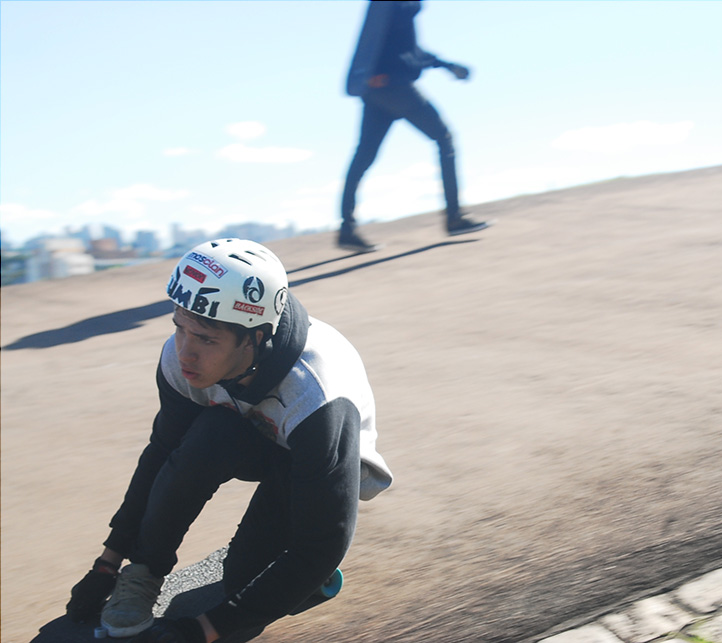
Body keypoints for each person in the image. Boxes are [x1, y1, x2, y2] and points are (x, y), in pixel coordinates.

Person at [64, 238, 393, 642]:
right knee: (209, 435)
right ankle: (145, 572)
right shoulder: (180, 359)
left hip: (313, 464)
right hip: (251, 433)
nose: (185, 353)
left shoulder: (317, 397)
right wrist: (108, 563)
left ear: (255, 338)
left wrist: (203, 631)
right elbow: (162, 453)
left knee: (246, 582)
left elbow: (324, 541)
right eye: (179, 328)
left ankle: (297, 571)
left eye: (206, 339)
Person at [337, 0, 488, 253]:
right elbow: (392, 46)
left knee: (363, 157)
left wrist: (445, 65)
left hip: (376, 90)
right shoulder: (399, 5)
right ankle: (454, 218)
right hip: (394, 88)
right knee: (444, 138)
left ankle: (347, 230)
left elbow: (404, 47)